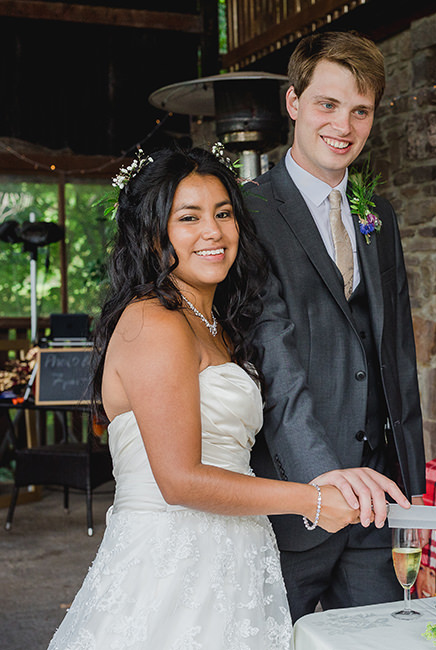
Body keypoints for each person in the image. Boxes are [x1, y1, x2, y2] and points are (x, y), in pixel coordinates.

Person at [48, 146, 410, 650]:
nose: (213, 232)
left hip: (238, 559)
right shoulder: (154, 322)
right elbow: (180, 480)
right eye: (189, 218)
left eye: (223, 214)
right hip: (172, 570)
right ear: (153, 235)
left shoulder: (216, 324)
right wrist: (313, 499)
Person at [246, 30, 426, 619]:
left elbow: (396, 352)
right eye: (327, 104)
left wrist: (411, 482)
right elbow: (272, 358)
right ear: (293, 103)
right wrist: (320, 481)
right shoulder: (247, 214)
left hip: (377, 499)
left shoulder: (379, 214)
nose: (343, 126)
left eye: (360, 111)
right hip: (294, 496)